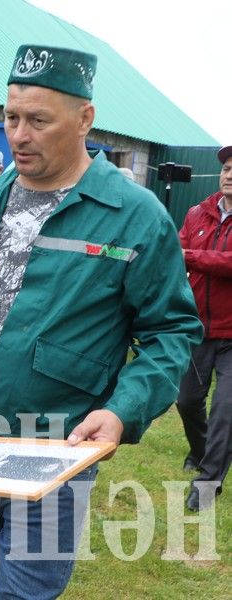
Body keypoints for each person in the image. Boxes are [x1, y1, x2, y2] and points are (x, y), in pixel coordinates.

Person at [0, 45, 202, 599]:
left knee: (22, 592)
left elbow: (171, 332)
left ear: (84, 119)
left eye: (39, 121)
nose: (18, 136)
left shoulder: (134, 216)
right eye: (11, 117)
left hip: (57, 444)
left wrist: (121, 411)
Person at [176, 144, 232, 512]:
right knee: (187, 402)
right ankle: (200, 452)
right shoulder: (198, 212)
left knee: (225, 410)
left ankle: (208, 483)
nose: (229, 174)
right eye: (227, 168)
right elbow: (174, 251)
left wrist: (191, 258)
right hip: (198, 330)